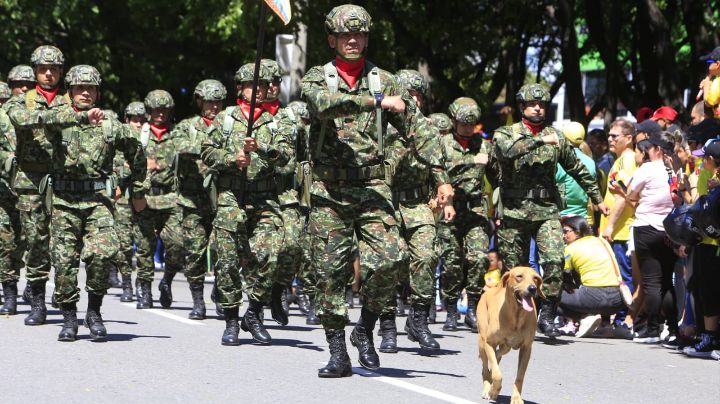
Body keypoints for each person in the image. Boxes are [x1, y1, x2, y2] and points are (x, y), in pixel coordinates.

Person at [301, 4, 434, 377]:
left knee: (392, 259)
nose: (354, 40)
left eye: (359, 35)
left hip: (372, 188)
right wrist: (376, 103)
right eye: (346, 35)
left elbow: (416, 126)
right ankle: (338, 351)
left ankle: (365, 328)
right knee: (330, 273)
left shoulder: (385, 80)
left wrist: (440, 172)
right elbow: (323, 106)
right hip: (329, 191)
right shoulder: (318, 77)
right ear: (332, 40)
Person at [493, 83, 607, 338]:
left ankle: (547, 314)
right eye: (533, 104)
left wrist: (597, 198)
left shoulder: (556, 137)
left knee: (555, 261)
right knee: (514, 270)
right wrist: (540, 140)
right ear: (522, 107)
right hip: (514, 211)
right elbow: (505, 151)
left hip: (546, 211)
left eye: (542, 105)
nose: (538, 108)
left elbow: (577, 168)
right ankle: (513, 317)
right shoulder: (506, 133)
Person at [48, 65, 147, 341]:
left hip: (98, 201)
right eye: (79, 88)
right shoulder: (58, 119)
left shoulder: (110, 125)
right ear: (69, 91)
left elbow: (137, 153)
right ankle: (69, 318)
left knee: (101, 255)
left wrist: (135, 187)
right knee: (64, 261)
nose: (85, 92)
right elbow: (37, 122)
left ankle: (94, 311)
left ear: (97, 92)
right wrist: (76, 118)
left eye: (90, 88)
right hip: (64, 201)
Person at [202, 63, 292, 346]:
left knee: (269, 255)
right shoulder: (225, 119)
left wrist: (262, 149)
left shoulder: (277, 121)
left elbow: (286, 155)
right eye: (254, 85)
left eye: (264, 86)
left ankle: (253, 312)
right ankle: (231, 320)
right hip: (231, 197)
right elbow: (206, 151)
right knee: (227, 261)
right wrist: (232, 159)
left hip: (265, 197)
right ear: (241, 88)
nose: (259, 90)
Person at [376, 68, 451, 352]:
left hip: (419, 203)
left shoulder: (428, 129)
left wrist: (444, 190)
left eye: (416, 97)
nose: (412, 102)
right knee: (386, 264)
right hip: (385, 203)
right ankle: (386, 326)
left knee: (426, 255)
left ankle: (418, 321)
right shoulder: (377, 127)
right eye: (405, 96)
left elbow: (437, 165)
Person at [5, 45, 69, 326]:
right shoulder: (22, 102)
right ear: (35, 71)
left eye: (53, 69)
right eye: (43, 69)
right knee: (36, 242)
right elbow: (18, 120)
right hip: (31, 183)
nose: (48, 73)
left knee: (66, 244)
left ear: (61, 72)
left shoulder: (72, 100)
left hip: (67, 182)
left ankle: (65, 293)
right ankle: (38, 302)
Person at [436, 97, 496, 334]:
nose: (468, 129)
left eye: (472, 125)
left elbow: (496, 177)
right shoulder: (441, 145)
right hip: (449, 209)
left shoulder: (484, 146)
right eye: (463, 124)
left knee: (479, 258)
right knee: (451, 261)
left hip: (475, 211)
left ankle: (472, 307)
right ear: (454, 122)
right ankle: (451, 309)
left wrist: (500, 208)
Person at [170, 79, 225, 319]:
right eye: (209, 101)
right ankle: (197, 300)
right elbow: (179, 146)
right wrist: (212, 148)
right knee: (195, 253)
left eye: (218, 102)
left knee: (224, 251)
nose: (214, 107)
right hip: (192, 200)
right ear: (200, 101)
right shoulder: (187, 126)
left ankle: (222, 294)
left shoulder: (231, 125)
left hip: (223, 199)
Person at [620, 131, 679, 344]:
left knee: (651, 282)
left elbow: (631, 193)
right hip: (671, 230)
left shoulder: (648, 168)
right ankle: (672, 328)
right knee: (667, 281)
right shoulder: (676, 169)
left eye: (649, 147)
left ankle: (652, 330)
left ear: (658, 150)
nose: (646, 151)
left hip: (647, 227)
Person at [133, 89, 183, 310]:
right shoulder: (138, 135)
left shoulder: (178, 134)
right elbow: (121, 162)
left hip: (170, 198)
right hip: (145, 197)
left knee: (177, 245)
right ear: (149, 111)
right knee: (144, 247)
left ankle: (167, 280)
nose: (160, 113)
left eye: (164, 110)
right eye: (156, 109)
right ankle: (144, 288)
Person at [598, 118, 638, 338]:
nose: (610, 139)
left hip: (620, 231)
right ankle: (612, 321)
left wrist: (611, 226)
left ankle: (622, 321)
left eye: (615, 136)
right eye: (609, 135)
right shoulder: (619, 160)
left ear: (629, 138)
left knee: (623, 276)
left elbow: (625, 197)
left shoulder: (628, 160)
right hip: (614, 229)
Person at [558, 216, 626, 338]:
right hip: (618, 299)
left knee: (550, 296)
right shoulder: (602, 241)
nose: (563, 236)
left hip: (594, 297)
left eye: (566, 231)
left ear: (577, 232)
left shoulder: (569, 249)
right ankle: (605, 325)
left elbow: (563, 275)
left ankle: (585, 317)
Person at [683, 141, 720, 357]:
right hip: (707, 243)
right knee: (708, 292)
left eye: (704, 157)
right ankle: (709, 339)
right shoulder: (712, 180)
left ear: (712, 161)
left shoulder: (714, 182)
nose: (701, 160)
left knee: (710, 292)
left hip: (712, 244)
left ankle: (710, 341)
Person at [112, 101, 147, 303]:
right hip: (123, 199)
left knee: (144, 245)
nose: (138, 124)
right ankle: (126, 283)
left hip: (144, 198)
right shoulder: (120, 143)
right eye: (134, 120)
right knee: (124, 244)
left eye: (141, 120)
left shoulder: (148, 141)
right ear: (126, 120)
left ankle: (143, 284)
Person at [0, 105, 22, 315]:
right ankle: (9, 291)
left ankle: (14, 291)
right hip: (5, 191)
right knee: (6, 241)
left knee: (10, 241)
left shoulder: (4, 118)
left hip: (16, 190)